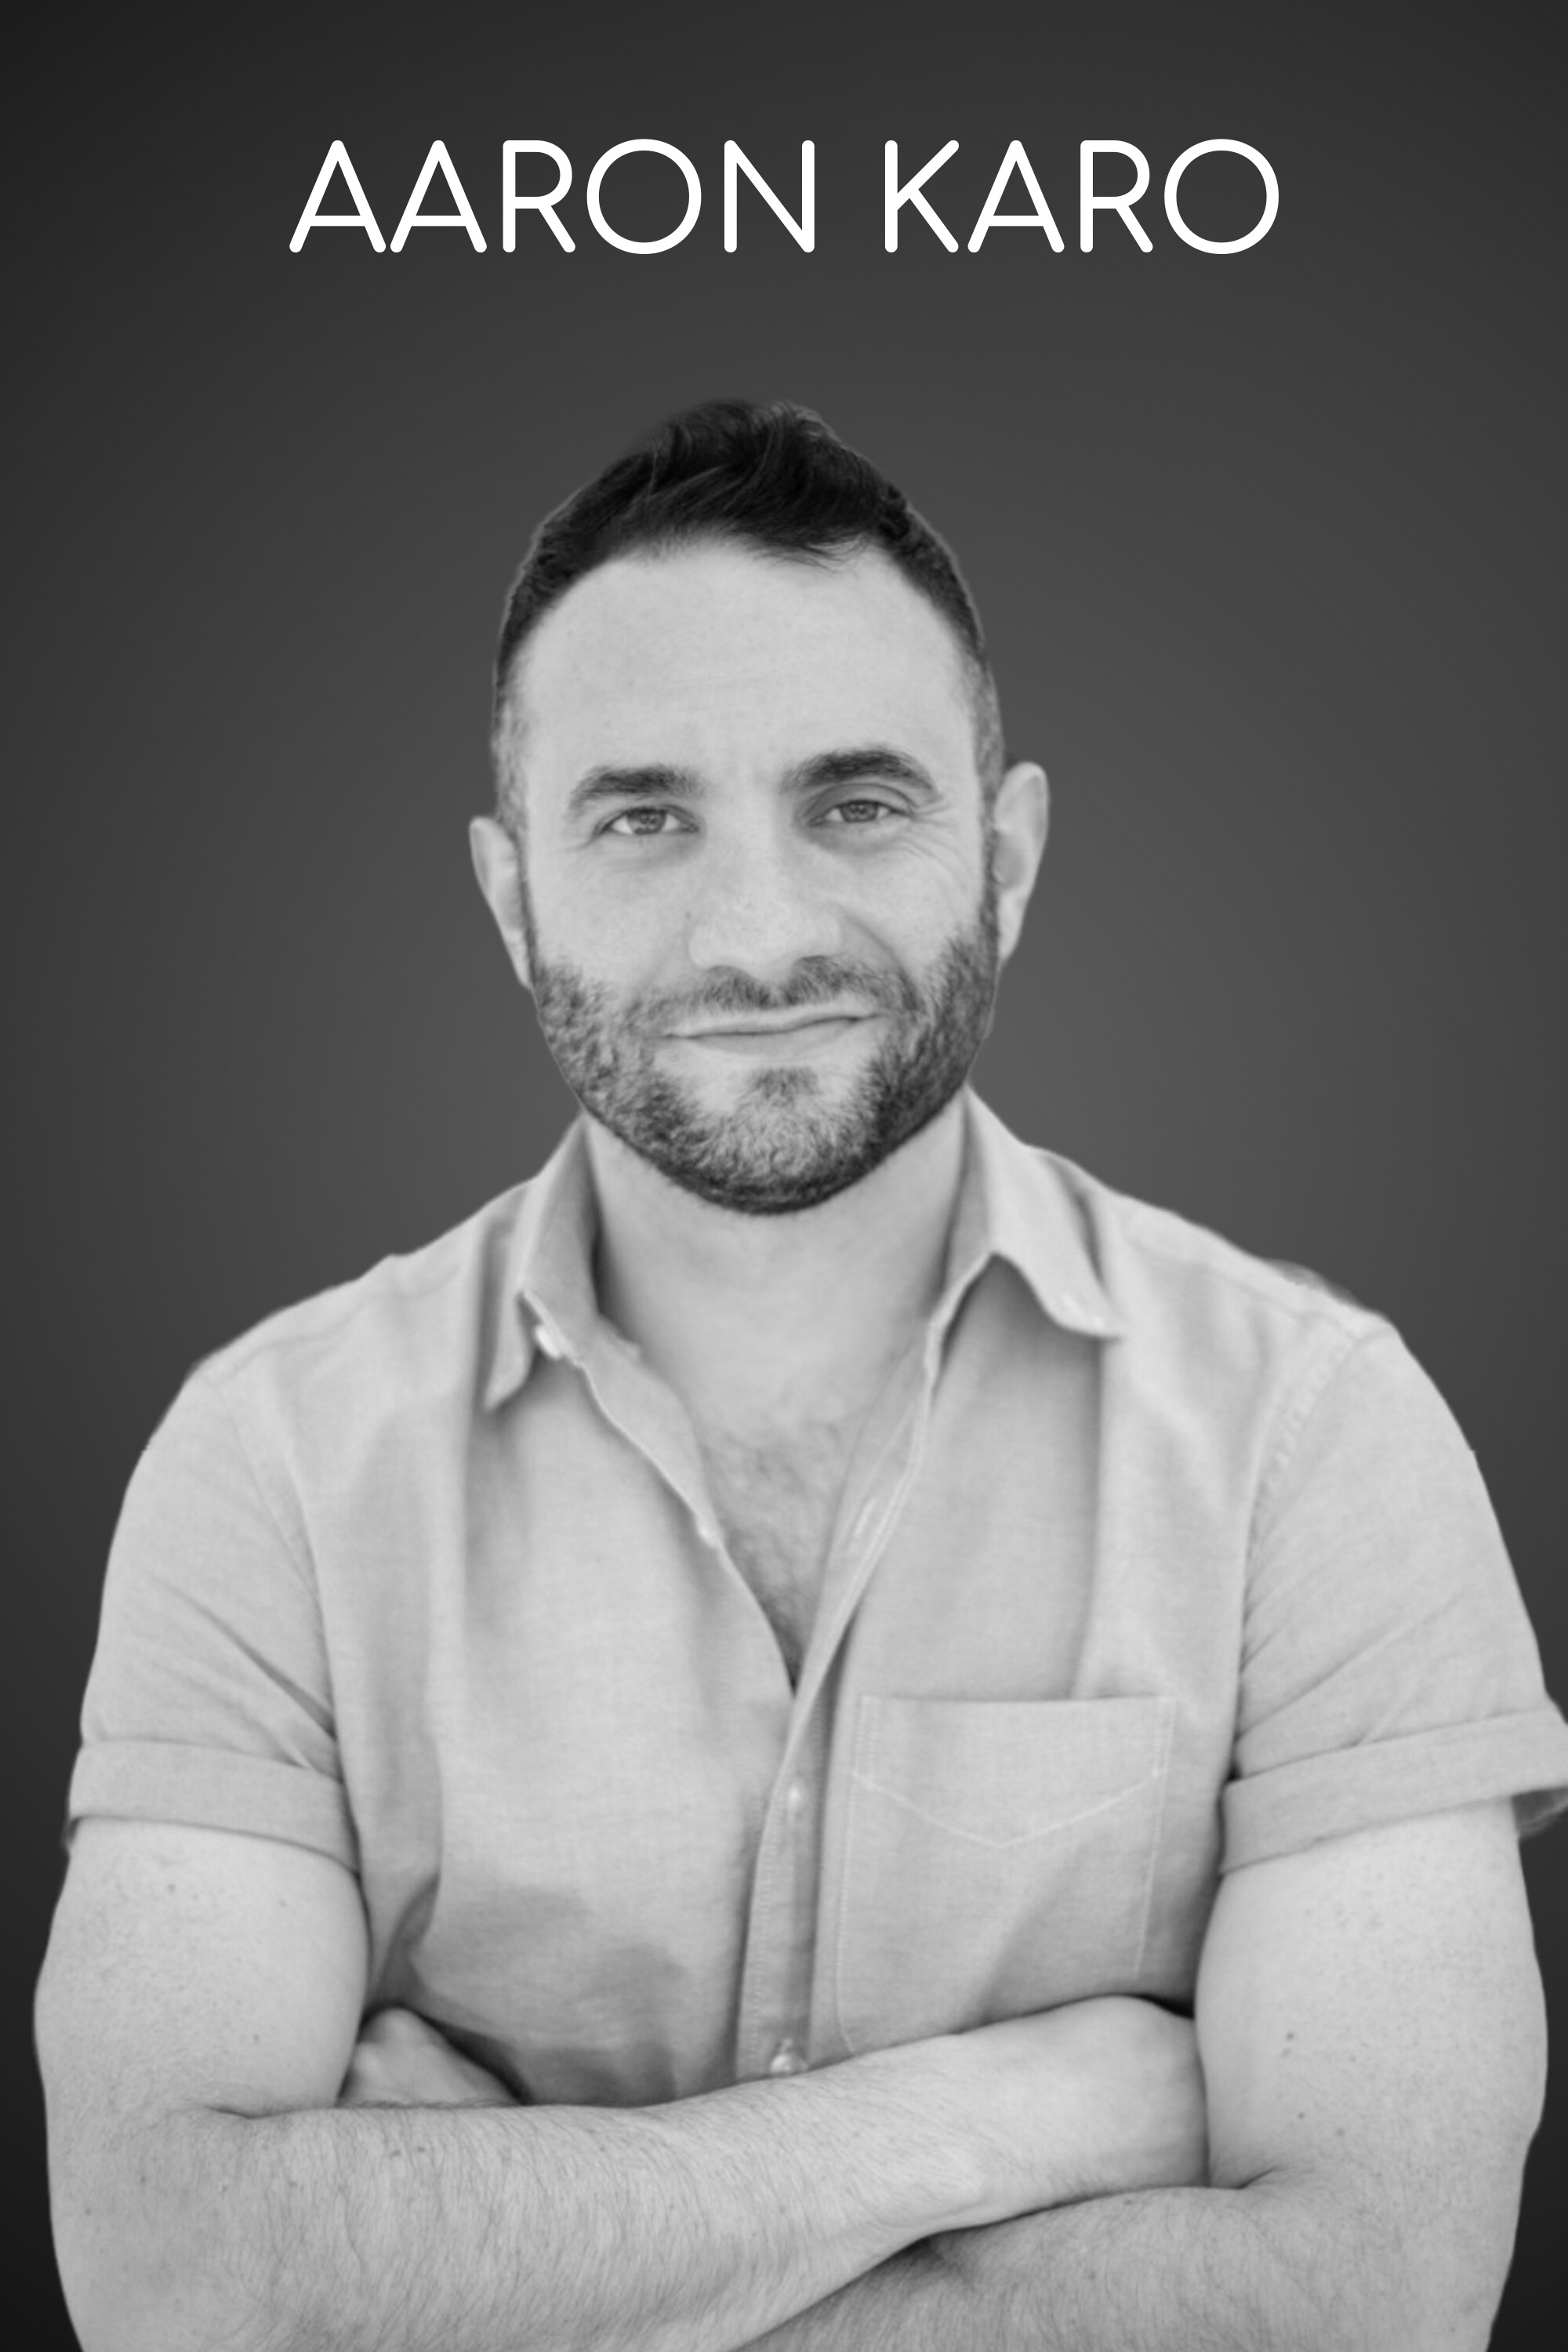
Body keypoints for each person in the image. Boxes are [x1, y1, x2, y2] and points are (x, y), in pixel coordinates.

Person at [37, 398, 1568, 2352]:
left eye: (854, 803)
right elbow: (173, 2280)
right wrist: (1006, 2116)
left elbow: (1371, 2302)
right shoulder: (265, 1463)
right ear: (511, 898)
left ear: (1006, 857)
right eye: (643, 816)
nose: (757, 936)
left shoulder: (1314, 1438)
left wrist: (478, 2254)